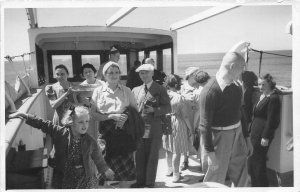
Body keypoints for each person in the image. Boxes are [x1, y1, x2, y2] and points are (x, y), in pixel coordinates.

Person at [8, 106, 115, 189]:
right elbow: (43, 124)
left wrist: (105, 170)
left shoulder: (90, 141)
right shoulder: (60, 132)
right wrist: (25, 116)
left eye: (87, 121)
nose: (85, 125)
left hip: (85, 179)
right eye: (80, 122)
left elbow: (98, 159)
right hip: (64, 176)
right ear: (71, 122)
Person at [199, 41, 253, 187]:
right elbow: (204, 126)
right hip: (219, 138)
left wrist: (247, 139)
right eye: (242, 68)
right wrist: (210, 154)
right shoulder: (210, 91)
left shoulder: (236, 87)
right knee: (215, 179)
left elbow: (241, 112)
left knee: (242, 174)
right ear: (232, 66)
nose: (243, 72)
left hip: (238, 134)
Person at [91, 61, 141, 184]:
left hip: (124, 134)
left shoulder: (127, 90)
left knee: (125, 176)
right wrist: (110, 116)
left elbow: (135, 112)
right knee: (104, 170)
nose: (114, 75)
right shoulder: (97, 91)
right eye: (111, 72)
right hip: (105, 135)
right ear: (105, 75)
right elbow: (93, 115)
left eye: (117, 72)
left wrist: (126, 116)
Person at [131, 63, 171, 188]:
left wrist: (155, 110)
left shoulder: (160, 89)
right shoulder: (135, 90)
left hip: (154, 129)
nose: (144, 75)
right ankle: (140, 181)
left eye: (146, 72)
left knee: (152, 157)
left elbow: (168, 107)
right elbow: (133, 109)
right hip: (140, 130)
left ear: (152, 73)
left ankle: (149, 184)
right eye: (141, 73)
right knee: (139, 156)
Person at [248, 74, 281, 187]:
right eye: (259, 84)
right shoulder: (263, 96)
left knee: (258, 162)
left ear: (271, 85)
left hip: (262, 136)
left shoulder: (273, 98)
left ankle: (262, 186)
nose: (260, 86)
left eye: (263, 84)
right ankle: (255, 185)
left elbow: (272, 120)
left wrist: (265, 137)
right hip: (255, 133)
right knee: (254, 161)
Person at [163, 74, 191, 183]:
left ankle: (169, 170)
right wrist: (191, 129)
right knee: (177, 150)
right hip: (177, 121)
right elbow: (185, 116)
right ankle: (176, 175)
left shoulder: (164, 95)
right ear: (176, 84)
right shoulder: (179, 97)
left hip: (166, 121)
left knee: (168, 147)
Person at [179, 67, 199, 171]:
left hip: (197, 117)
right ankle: (185, 160)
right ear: (191, 75)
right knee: (185, 139)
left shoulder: (200, 86)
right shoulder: (182, 87)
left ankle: (201, 159)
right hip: (185, 117)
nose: (198, 75)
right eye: (196, 73)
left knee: (198, 138)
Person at [79, 63, 105, 140]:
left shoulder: (102, 84)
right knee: (89, 135)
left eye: (90, 71)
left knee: (100, 135)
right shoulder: (81, 86)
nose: (88, 74)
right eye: (85, 72)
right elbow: (77, 102)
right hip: (87, 114)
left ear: (95, 73)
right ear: (83, 75)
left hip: (100, 112)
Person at [193, 70, 211, 175]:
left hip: (203, 122)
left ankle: (206, 175)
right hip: (215, 123)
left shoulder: (199, 92)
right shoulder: (215, 88)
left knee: (204, 148)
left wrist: (194, 125)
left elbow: (198, 112)